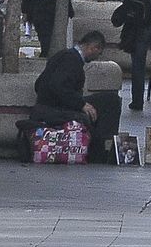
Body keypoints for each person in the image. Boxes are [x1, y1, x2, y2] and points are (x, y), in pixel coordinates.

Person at [31, 31, 123, 163]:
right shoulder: (71, 60)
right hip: (56, 108)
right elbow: (58, 86)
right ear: (93, 48)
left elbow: (39, 84)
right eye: (99, 52)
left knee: (106, 100)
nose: (97, 57)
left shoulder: (64, 54)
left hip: (53, 104)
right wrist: (81, 104)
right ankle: (100, 150)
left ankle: (101, 146)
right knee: (111, 102)